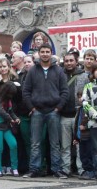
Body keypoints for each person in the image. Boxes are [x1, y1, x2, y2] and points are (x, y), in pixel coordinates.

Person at [22, 43, 69, 179]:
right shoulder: (33, 70)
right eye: (42, 51)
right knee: (35, 143)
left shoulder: (58, 70)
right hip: (37, 111)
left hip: (53, 111)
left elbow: (64, 91)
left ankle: (56, 169)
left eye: (47, 51)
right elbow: (26, 91)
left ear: (51, 53)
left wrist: (58, 108)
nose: (45, 54)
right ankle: (34, 169)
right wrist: (32, 107)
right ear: (39, 53)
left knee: (55, 143)